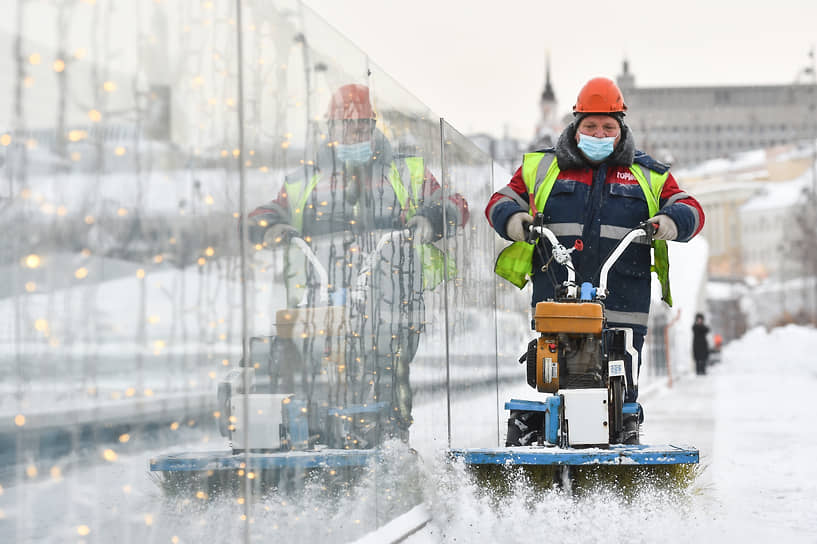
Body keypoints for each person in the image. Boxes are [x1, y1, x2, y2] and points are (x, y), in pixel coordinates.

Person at [247, 83, 469, 446]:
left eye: (363, 125)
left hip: (392, 306)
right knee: (312, 380)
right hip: (321, 306)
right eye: (347, 125)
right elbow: (269, 211)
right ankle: (315, 442)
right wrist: (270, 225)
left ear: (374, 126)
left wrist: (431, 218)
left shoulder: (406, 173)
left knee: (387, 379)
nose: (356, 133)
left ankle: (391, 447)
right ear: (329, 128)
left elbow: (454, 204)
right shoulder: (306, 180)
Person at [485, 77, 705, 440]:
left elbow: (690, 208)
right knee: (554, 373)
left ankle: (621, 437)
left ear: (621, 128)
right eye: (590, 126)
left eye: (607, 127)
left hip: (623, 299)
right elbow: (501, 200)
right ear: (575, 125)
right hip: (557, 295)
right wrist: (513, 218)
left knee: (620, 384)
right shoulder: (543, 168)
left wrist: (669, 220)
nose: (599, 134)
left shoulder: (647, 174)